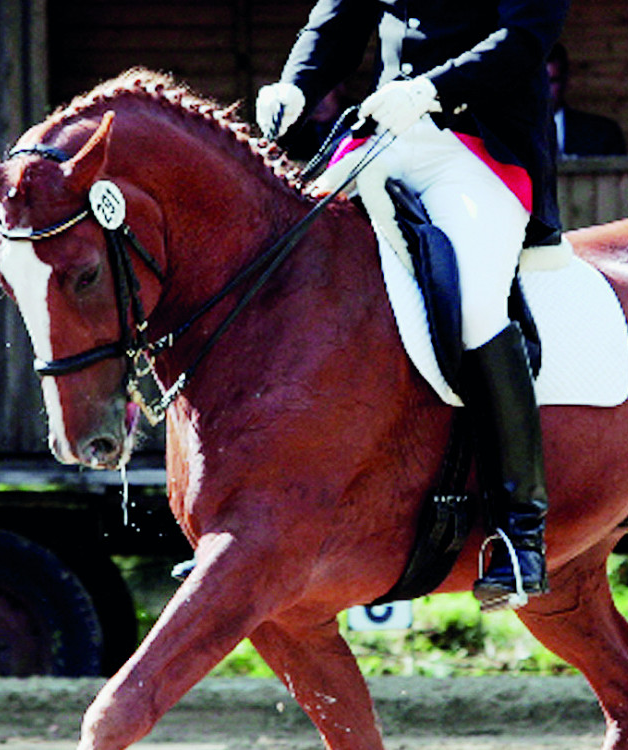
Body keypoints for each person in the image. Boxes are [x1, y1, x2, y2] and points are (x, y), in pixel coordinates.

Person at [255, 0, 568, 612]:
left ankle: (519, 530)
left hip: (480, 146)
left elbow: (525, 38)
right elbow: (336, 22)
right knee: (282, 258)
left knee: (478, 307)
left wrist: (430, 88)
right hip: (385, 132)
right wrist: (294, 85)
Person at [547, 44, 626, 157]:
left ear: (565, 81)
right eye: (536, 82)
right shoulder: (514, 135)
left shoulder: (602, 133)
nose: (543, 90)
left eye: (551, 81)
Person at [277, 83, 356, 162]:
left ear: (340, 88)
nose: (318, 102)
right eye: (307, 94)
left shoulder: (360, 117)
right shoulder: (295, 134)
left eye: (323, 92)